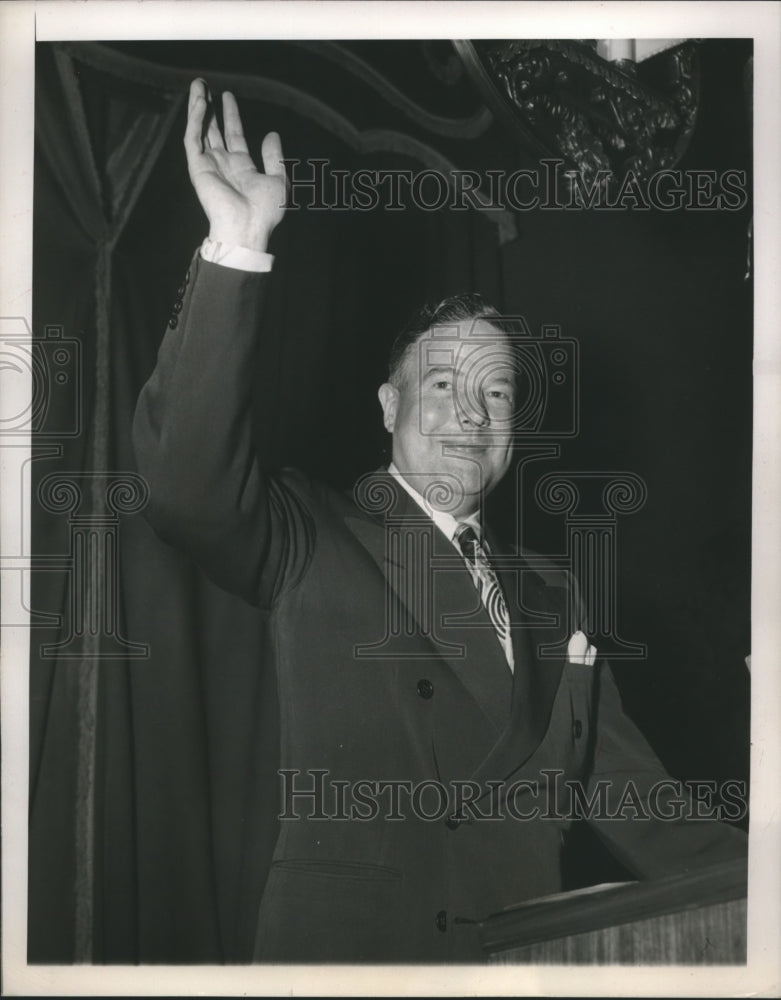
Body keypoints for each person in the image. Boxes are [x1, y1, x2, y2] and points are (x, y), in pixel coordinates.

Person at [132, 79, 747, 963]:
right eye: (443, 386)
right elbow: (185, 486)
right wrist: (239, 243)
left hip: (525, 958)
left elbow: (634, 800)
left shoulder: (551, 593)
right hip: (360, 962)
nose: (471, 412)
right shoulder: (314, 534)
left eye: (495, 391)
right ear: (388, 406)